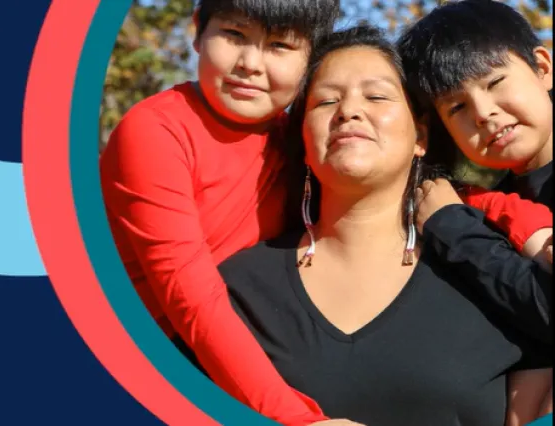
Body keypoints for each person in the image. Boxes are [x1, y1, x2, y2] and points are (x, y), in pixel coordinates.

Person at [216, 24, 552, 426]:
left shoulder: (494, 265)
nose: (349, 111)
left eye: (376, 96)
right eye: (326, 102)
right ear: (303, 139)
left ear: (421, 137)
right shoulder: (235, 288)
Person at [99, 0, 352, 423]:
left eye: (279, 46)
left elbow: (394, 188)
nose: (250, 63)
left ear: (312, 57)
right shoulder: (157, 130)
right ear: (198, 31)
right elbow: (193, 300)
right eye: (234, 35)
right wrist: (298, 418)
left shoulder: (299, 137)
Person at [397, 1, 553, 422]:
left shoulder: (457, 220)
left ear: (542, 67)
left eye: (495, 81)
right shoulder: (493, 202)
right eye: (456, 107)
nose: (483, 113)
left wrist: (452, 227)